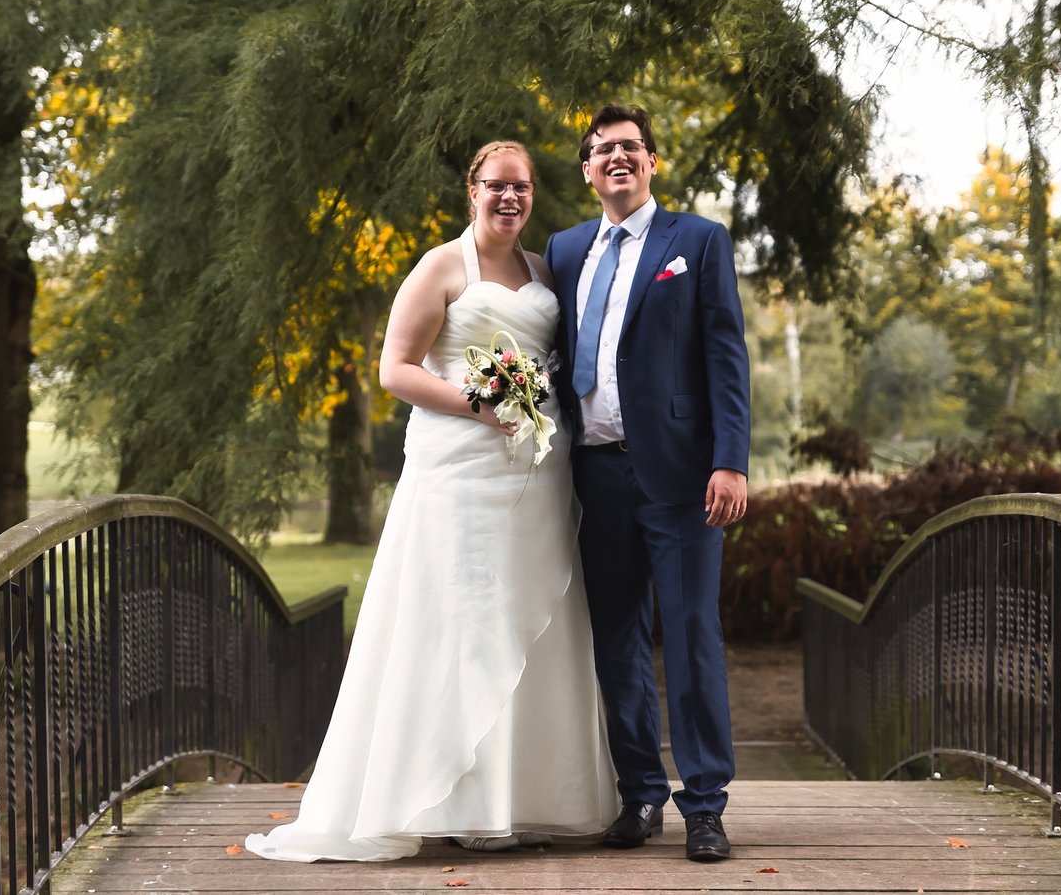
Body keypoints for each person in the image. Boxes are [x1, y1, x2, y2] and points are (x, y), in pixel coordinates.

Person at [245, 140, 618, 862]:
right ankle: (450, 797)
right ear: (471, 189)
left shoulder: (545, 270)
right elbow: (394, 369)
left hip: (537, 477)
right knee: (462, 622)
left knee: (533, 620)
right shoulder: (440, 267)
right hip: (461, 475)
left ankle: (533, 797)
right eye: (496, 187)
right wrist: (479, 404)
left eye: (522, 188)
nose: (510, 199)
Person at [543, 104, 751, 863]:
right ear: (588, 169)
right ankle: (641, 793)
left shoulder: (695, 241)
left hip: (684, 476)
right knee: (615, 639)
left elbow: (725, 355)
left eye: (631, 147)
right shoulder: (564, 250)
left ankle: (705, 805)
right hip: (595, 476)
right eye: (603, 151)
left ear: (653, 162)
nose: (617, 158)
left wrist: (732, 458)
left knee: (692, 633)